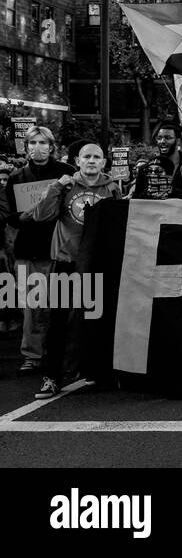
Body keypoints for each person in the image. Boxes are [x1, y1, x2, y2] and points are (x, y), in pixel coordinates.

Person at [32, 140, 122, 398]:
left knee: (96, 319)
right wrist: (57, 186)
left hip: (97, 264)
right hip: (66, 263)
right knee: (58, 321)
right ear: (77, 161)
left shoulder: (112, 188)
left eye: (97, 156)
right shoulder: (66, 186)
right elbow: (41, 216)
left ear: (104, 162)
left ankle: (96, 371)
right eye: (86, 157)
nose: (92, 160)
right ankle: (52, 377)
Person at [5, 127, 74, 375]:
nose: (38, 147)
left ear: (51, 146)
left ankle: (63, 354)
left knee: (62, 305)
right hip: (30, 249)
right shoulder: (16, 178)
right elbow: (11, 216)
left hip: (60, 247)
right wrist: (31, 214)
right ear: (26, 147)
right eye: (32, 142)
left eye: (43, 142)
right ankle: (32, 355)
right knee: (32, 307)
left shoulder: (67, 173)